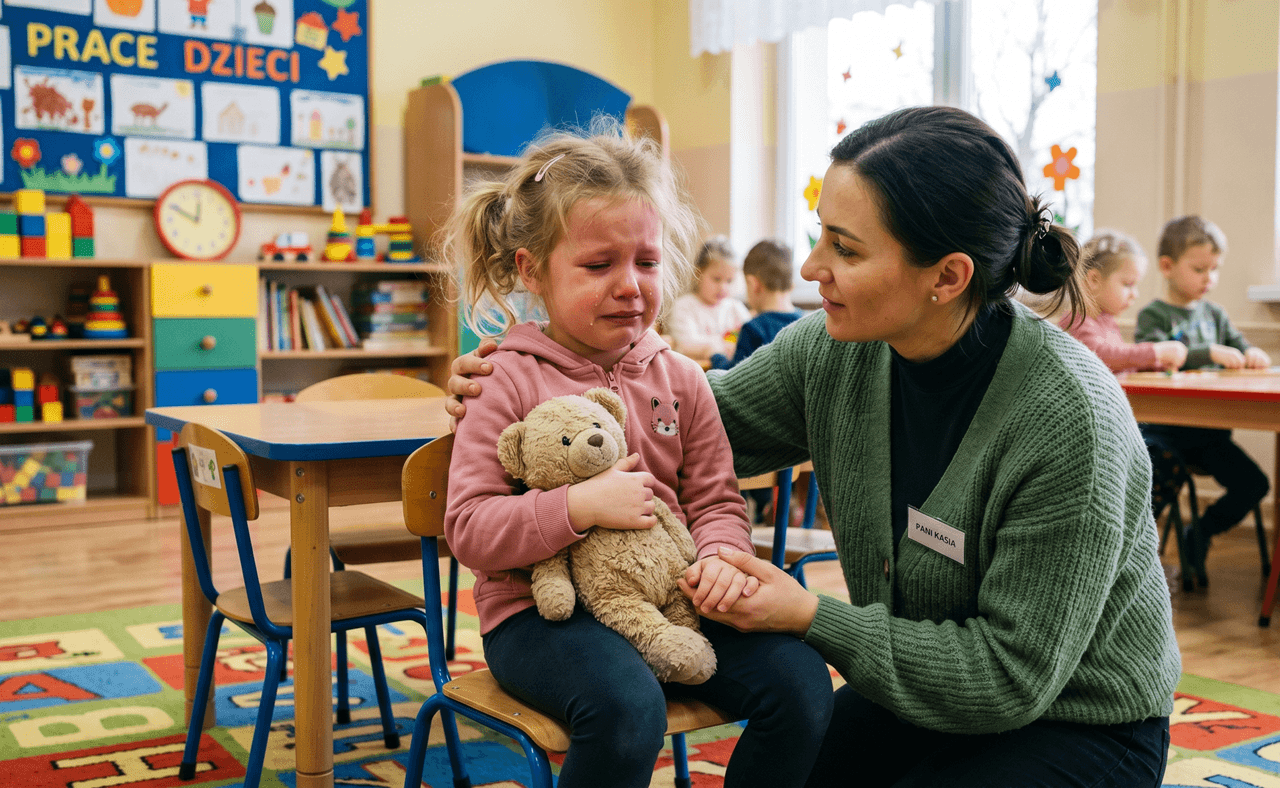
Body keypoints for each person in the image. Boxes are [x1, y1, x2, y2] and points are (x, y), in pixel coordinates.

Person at [448, 106, 1180, 787]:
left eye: (846, 248)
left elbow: (1009, 679)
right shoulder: (834, 353)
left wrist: (807, 615)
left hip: (1075, 721)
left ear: (947, 277)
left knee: (805, 703)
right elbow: (673, 438)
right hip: (913, 692)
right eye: (819, 234)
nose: (809, 269)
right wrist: (528, 406)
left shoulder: (1069, 421)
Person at [440, 123, 833, 788]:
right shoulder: (500, 377)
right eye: (598, 266)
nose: (630, 286)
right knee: (626, 710)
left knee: (801, 685)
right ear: (531, 269)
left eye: (646, 263)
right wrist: (577, 507)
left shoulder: (681, 379)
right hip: (541, 616)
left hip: (671, 597)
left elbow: (714, 499)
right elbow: (470, 529)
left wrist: (719, 557)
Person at [1136, 215, 1271, 571]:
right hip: (1165, 433)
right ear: (1167, 266)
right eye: (1199, 269)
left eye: (1215, 269)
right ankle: (1134, 551)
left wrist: (1253, 354)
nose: (1209, 278)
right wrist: (1207, 353)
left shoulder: (1215, 314)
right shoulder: (1155, 315)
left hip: (1210, 438)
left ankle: (1202, 530)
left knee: (1255, 483)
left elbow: (1240, 347)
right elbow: (1150, 358)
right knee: (1153, 476)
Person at [710, 238, 804, 370]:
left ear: (754, 284)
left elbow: (731, 379)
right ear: (790, 285)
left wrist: (716, 356)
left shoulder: (753, 329)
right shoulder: (806, 322)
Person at [668, 234, 750, 360]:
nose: (723, 287)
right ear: (698, 274)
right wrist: (724, 346)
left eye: (729, 281)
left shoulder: (734, 307)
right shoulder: (684, 306)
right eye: (716, 279)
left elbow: (751, 334)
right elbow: (685, 344)